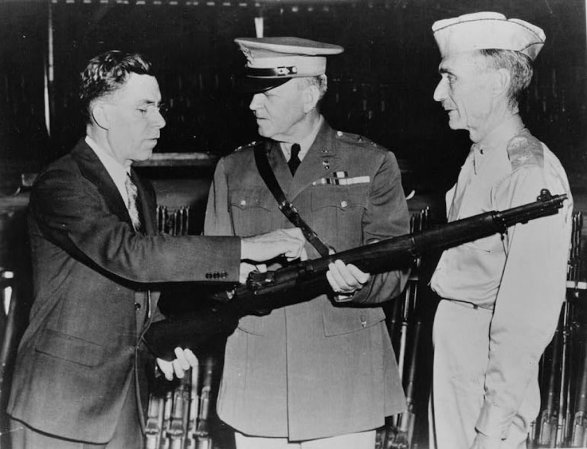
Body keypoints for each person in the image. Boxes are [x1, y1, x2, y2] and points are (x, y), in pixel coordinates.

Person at [6, 50, 305, 449]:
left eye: (159, 108)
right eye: (143, 109)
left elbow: (134, 296)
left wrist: (158, 346)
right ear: (102, 114)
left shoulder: (139, 189)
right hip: (61, 409)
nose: (160, 121)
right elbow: (131, 255)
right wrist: (246, 248)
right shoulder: (62, 183)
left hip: (124, 404)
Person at [204, 37, 410, 449]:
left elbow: (395, 268)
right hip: (260, 377)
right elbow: (210, 266)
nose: (253, 104)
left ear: (309, 95)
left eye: (268, 93)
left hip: (342, 379)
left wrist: (357, 286)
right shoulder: (233, 168)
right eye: (254, 93)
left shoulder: (371, 163)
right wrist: (233, 280)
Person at [427, 12, 573, 449]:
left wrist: (492, 425)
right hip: (460, 355)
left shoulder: (528, 173)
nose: (438, 93)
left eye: (450, 78)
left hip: (486, 367)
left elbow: (525, 318)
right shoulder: (481, 156)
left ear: (496, 82)